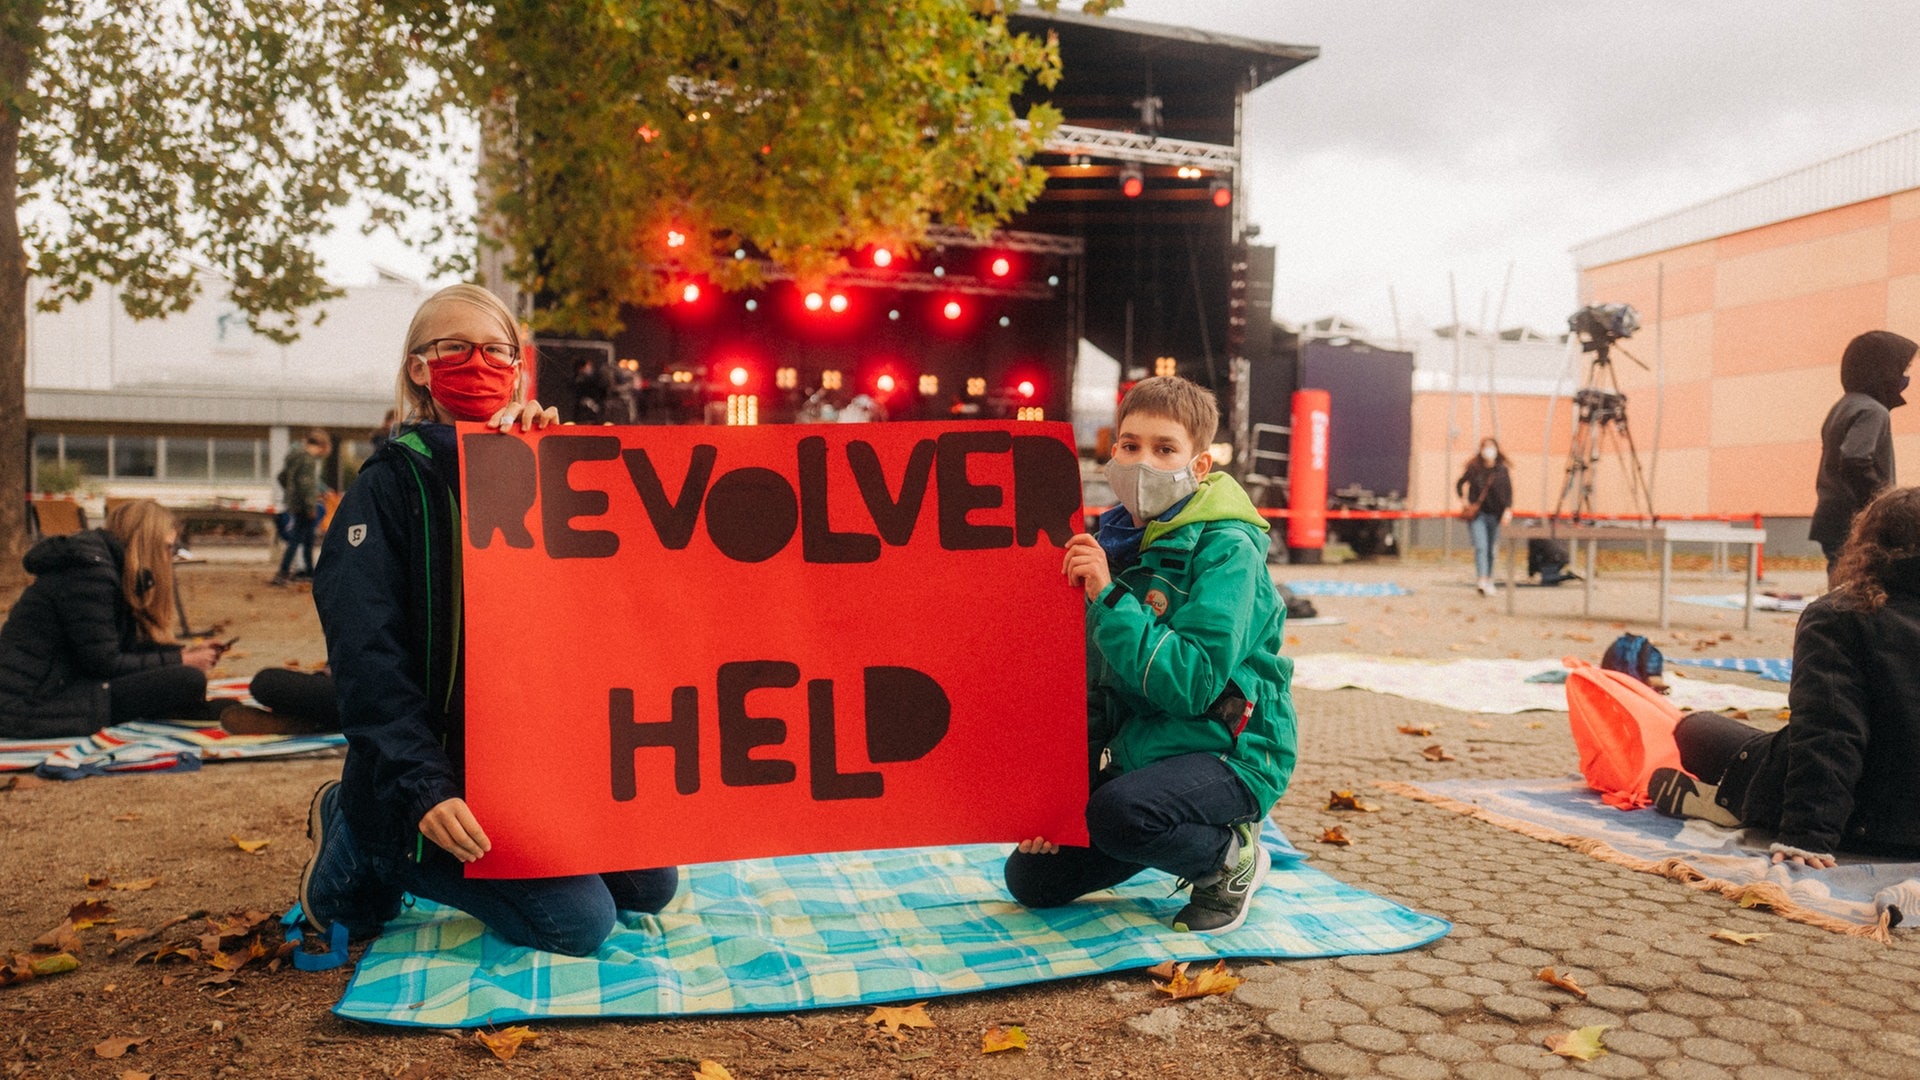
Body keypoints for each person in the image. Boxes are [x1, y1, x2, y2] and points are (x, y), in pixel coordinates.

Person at [299, 283, 678, 956]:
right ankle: (361, 841)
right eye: (454, 348)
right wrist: (421, 788)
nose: (478, 363)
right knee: (579, 922)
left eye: (496, 350)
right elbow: (366, 657)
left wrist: (553, 463)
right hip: (423, 783)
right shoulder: (384, 489)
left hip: (523, 772)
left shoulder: (542, 462)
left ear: (519, 365)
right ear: (420, 367)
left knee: (652, 883)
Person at [1004, 375, 1297, 934]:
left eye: (1165, 450)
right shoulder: (1113, 546)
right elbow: (1097, 688)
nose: (1142, 462)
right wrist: (1061, 798)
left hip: (1234, 751)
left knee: (1121, 815)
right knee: (1032, 880)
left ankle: (1230, 858)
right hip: (1146, 755)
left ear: (1200, 466)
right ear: (1110, 450)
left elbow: (1192, 683)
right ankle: (1158, 831)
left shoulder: (1229, 550)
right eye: (1130, 445)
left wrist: (1110, 599)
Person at [1650, 485, 1920, 869]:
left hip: (1864, 822)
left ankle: (1722, 801)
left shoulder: (1841, 614)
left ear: (1869, 544)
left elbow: (1829, 731)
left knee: (1692, 729)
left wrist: (1808, 837)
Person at [0, 500, 224, 737]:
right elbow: (104, 663)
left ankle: (199, 710)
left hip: (63, 686)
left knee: (187, 682)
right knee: (187, 680)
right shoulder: (89, 573)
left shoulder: (106, 567)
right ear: (146, 544)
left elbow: (117, 649)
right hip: (32, 704)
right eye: (168, 548)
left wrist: (182, 653)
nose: (170, 559)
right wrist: (180, 660)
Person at [1810, 330, 1916, 582]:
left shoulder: (1843, 405)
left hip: (1832, 516)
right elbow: (1855, 459)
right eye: (1902, 368)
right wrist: (1884, 503)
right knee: (1857, 588)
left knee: (1839, 586)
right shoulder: (1873, 410)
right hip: (1855, 521)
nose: (1905, 376)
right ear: (1883, 370)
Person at [272, 428, 332, 586]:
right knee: (298, 539)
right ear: (319, 445)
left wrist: (291, 492)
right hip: (304, 506)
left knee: (307, 538)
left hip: (294, 503)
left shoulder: (294, 457)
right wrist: (310, 506)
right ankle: (284, 572)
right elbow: (306, 485)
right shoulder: (308, 459)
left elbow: (282, 477)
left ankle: (309, 571)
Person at [1456, 436, 1513, 597]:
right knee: (1481, 546)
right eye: (1486, 447)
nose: (1489, 451)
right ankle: (1481, 579)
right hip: (1478, 515)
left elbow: (1508, 492)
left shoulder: (1502, 470)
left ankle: (1489, 579)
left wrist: (1507, 510)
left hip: (1495, 515)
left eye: (1492, 447)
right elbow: (1460, 483)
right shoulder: (1474, 468)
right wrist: (1464, 499)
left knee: (1491, 549)